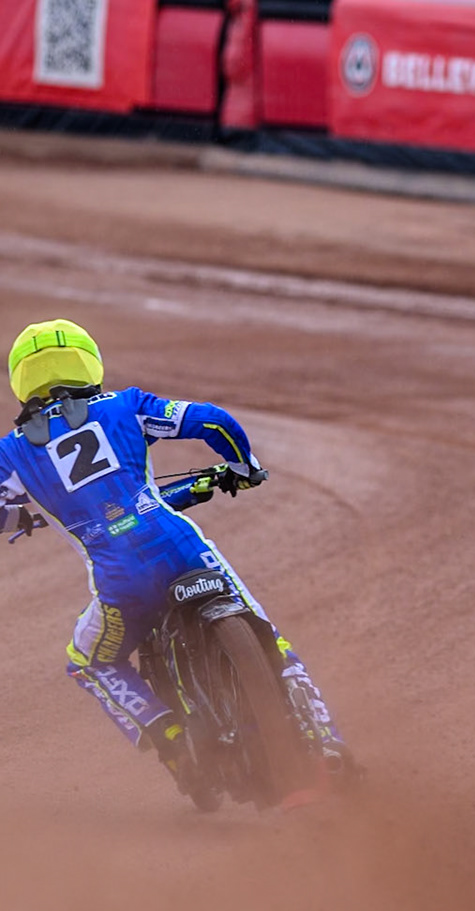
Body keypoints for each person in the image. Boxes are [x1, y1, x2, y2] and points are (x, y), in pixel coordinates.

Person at [0, 319, 349, 796]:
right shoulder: (126, 405)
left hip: (122, 584)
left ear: (21, 381)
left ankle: (171, 738)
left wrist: (18, 518)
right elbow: (214, 422)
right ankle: (326, 741)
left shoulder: (12, 452)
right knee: (272, 641)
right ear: (88, 362)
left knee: (89, 660)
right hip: (183, 551)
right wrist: (243, 468)